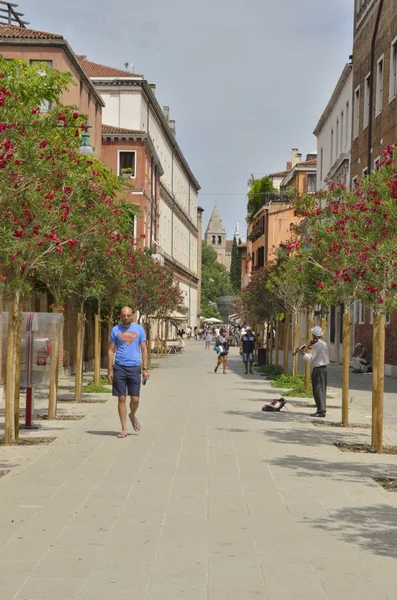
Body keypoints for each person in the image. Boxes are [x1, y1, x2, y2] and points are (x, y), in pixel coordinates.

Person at [108, 306, 149, 438]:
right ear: (120, 316)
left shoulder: (139, 329)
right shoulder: (115, 330)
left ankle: (132, 415)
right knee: (121, 398)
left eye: (128, 315)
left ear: (133, 316)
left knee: (135, 399)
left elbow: (144, 349)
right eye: (123, 315)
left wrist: (145, 369)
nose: (126, 318)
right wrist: (110, 370)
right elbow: (111, 350)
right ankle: (124, 428)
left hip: (134, 367)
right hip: (119, 367)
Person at [299, 325, 330, 418]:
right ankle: (322, 408)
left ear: (314, 335)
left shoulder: (317, 345)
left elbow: (311, 358)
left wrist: (302, 352)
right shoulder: (324, 344)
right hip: (324, 369)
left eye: (312, 334)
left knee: (317, 390)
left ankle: (321, 410)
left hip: (318, 369)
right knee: (322, 389)